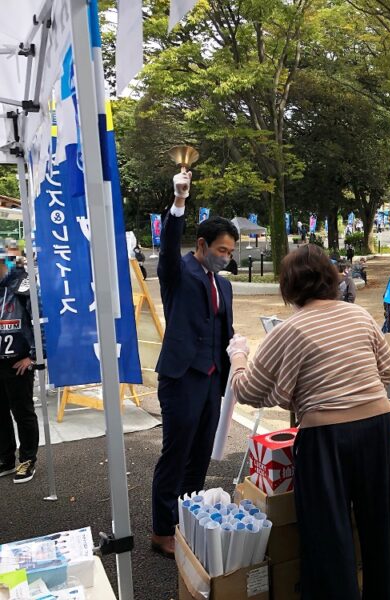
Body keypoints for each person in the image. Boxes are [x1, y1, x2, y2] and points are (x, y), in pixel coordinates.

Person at [229, 244, 390, 599]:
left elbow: (248, 391)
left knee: (329, 530)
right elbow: (389, 370)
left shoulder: (289, 330)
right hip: (377, 424)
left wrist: (239, 357)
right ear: (329, 278)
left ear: (289, 286)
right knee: (379, 524)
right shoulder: (359, 316)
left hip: (325, 435)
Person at [151, 171, 237, 558]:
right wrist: (179, 200)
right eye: (221, 250)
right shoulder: (178, 271)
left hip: (212, 378)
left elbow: (224, 329)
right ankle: (161, 529)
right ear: (202, 245)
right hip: (181, 376)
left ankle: (188, 519)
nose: (226, 257)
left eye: (230, 251)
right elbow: (168, 245)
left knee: (201, 451)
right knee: (177, 452)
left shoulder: (225, 284)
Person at [0, 256, 38, 484]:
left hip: (18, 361)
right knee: (0, 412)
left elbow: (40, 318)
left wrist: (32, 356)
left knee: (22, 412)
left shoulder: (22, 283)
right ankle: (6, 457)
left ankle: (28, 459)